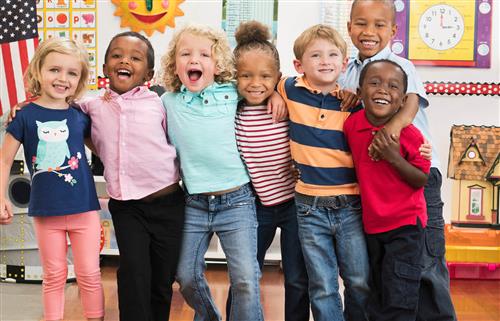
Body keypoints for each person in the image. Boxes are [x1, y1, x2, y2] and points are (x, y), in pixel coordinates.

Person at [339, 1, 456, 319]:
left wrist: (389, 133)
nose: (369, 32)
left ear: (393, 31)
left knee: (426, 265)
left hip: (416, 176)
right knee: (388, 273)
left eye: (379, 25)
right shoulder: (348, 71)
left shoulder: (399, 65)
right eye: (361, 23)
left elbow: (412, 103)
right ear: (349, 27)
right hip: (380, 186)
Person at [160, 24, 284, 321]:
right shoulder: (167, 102)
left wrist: (279, 93)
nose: (194, 59)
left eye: (205, 54)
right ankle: (211, 316)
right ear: (173, 65)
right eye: (185, 54)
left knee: (245, 279)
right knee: (185, 275)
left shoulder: (232, 93)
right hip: (194, 202)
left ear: (218, 65)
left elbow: (266, 80)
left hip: (238, 201)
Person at [78, 31, 186, 321]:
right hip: (127, 208)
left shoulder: (161, 103)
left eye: (135, 58)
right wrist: (24, 106)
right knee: (134, 275)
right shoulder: (91, 105)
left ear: (148, 73)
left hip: (169, 203)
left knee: (162, 281)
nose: (124, 60)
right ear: (104, 68)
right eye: (116, 55)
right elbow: (56, 108)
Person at [0, 38, 104, 321]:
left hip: (84, 211)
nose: (63, 78)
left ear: (80, 79)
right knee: (54, 276)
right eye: (54, 70)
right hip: (47, 213)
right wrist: (0, 197)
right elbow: (4, 159)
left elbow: (102, 149)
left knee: (89, 274)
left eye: (72, 73)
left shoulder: (80, 116)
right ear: (38, 71)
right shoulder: (23, 116)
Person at [277, 24, 370, 321]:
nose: (325, 61)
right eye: (315, 55)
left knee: (358, 281)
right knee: (322, 284)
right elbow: (274, 83)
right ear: (298, 65)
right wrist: (276, 96)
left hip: (349, 205)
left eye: (332, 55)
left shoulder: (353, 104)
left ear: (344, 64)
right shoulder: (290, 89)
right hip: (308, 207)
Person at [231, 20, 310, 321]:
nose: (255, 83)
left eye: (265, 76)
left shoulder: (285, 101)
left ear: (277, 77)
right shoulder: (231, 106)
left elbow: (295, 82)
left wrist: (278, 91)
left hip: (293, 204)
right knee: (245, 275)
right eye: (246, 76)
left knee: (296, 276)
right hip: (254, 206)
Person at [344, 59, 430, 320]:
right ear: (359, 92)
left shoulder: (411, 135)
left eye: (393, 86)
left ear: (403, 100)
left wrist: (393, 156)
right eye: (374, 83)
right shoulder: (351, 125)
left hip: (405, 227)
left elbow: (420, 180)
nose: (383, 90)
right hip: (372, 226)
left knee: (399, 296)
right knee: (377, 293)